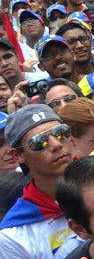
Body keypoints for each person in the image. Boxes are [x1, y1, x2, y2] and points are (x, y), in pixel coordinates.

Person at [0, 105, 76, 258]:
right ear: (18, 155)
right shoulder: (13, 235)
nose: (56, 144)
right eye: (40, 141)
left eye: (61, 133)